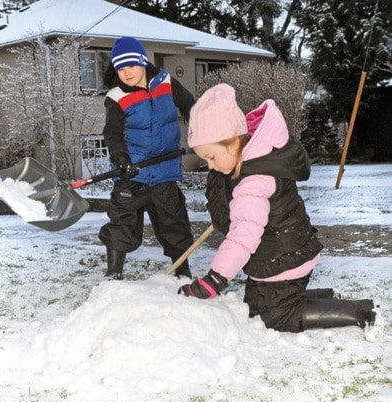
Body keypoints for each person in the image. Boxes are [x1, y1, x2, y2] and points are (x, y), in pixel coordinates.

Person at [178, 83, 382, 337]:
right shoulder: (254, 158)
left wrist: (215, 279)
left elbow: (242, 239)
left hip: (284, 258)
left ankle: (363, 310)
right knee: (255, 307)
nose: (210, 166)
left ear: (233, 142)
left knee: (277, 316)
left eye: (211, 157)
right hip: (281, 250)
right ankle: (325, 296)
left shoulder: (252, 183)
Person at [99, 36, 194, 280]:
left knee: (175, 225)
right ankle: (113, 275)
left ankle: (182, 274)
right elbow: (113, 134)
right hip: (132, 173)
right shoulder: (117, 97)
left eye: (131, 65)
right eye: (121, 67)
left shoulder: (165, 82)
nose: (127, 72)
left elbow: (191, 107)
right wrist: (121, 159)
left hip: (164, 171)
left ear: (143, 62)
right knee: (122, 224)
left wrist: (208, 132)